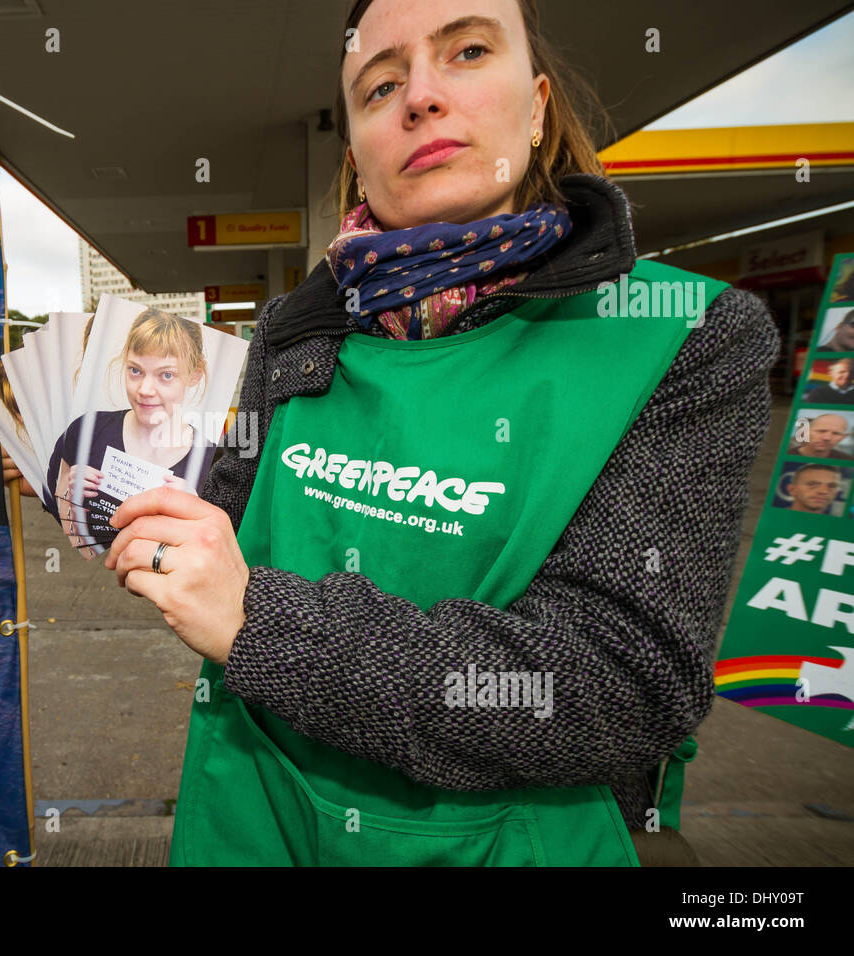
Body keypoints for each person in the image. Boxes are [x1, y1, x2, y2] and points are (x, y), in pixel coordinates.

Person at [95, 0, 779, 868]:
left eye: (465, 50)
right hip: (254, 817)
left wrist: (261, 623)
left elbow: (618, 685)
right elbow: (222, 538)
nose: (419, 96)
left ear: (535, 108)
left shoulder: (680, 336)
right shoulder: (293, 330)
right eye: (380, 85)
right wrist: (126, 500)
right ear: (357, 158)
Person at [47, 308, 215, 547]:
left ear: (195, 375)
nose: (145, 389)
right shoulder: (86, 431)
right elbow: (58, 510)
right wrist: (66, 490)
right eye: (135, 370)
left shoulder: (213, 459)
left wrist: (201, 513)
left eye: (166, 375)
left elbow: (223, 551)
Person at [787, 412, 854, 459]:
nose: (827, 438)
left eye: (836, 433)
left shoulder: (848, 459)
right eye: (821, 431)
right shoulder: (785, 453)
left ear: (843, 437)